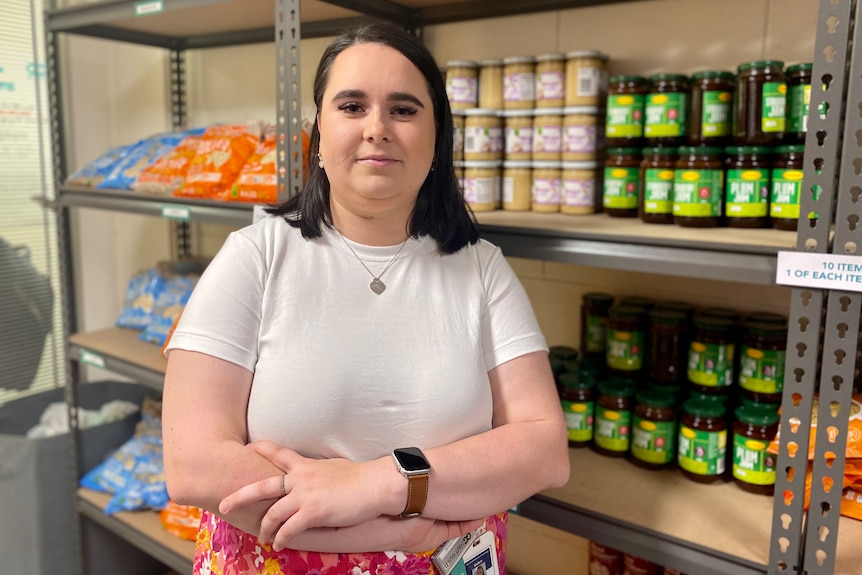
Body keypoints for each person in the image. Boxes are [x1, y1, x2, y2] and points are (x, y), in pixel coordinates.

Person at [162, 23, 569, 575]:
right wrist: (401, 528)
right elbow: (195, 466)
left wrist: (378, 484)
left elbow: (543, 451)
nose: (377, 128)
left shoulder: (480, 268)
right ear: (319, 133)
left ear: (436, 138)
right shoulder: (254, 257)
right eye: (352, 106)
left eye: (404, 109)